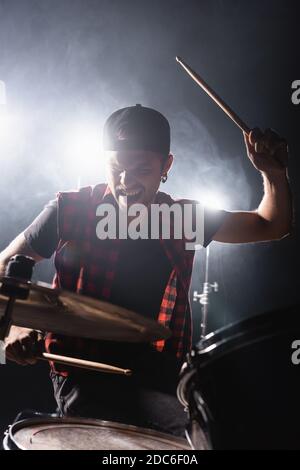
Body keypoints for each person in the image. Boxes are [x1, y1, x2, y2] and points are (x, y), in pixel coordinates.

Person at [0, 104, 292, 437]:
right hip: (84, 376)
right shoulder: (71, 210)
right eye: (117, 167)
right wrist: (13, 330)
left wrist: (273, 172)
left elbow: (273, 224)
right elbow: (3, 267)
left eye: (142, 169)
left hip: (161, 377)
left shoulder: (182, 219)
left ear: (165, 166)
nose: (126, 181)